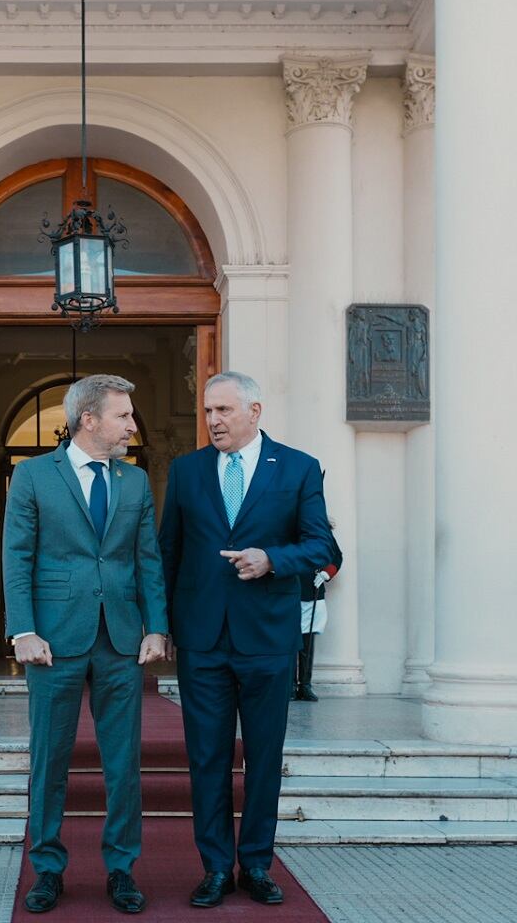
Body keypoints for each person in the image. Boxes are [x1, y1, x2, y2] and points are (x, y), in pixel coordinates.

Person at [159, 370, 332, 909]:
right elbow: (169, 552)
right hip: (203, 641)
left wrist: (273, 559)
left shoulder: (298, 468)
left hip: (267, 640)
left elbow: (322, 546)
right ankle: (215, 867)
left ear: (255, 412)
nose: (213, 421)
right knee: (206, 758)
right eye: (208, 411)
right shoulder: (186, 471)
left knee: (263, 756)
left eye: (224, 411)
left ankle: (256, 863)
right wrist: (161, 625)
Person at [3, 374, 169, 916]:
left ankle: (121, 868)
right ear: (89, 419)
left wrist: (156, 626)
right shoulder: (32, 476)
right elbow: (17, 556)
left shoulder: (136, 481)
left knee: (124, 763)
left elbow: (147, 559)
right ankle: (47, 869)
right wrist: (22, 629)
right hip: (53, 638)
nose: (131, 425)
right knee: (49, 760)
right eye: (123, 416)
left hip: (121, 638)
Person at [293, 526, 342, 702]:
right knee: (289, 642)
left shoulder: (321, 531)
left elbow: (336, 556)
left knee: (308, 643)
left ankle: (305, 685)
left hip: (313, 590)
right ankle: (289, 686)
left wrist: (325, 574)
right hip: (289, 591)